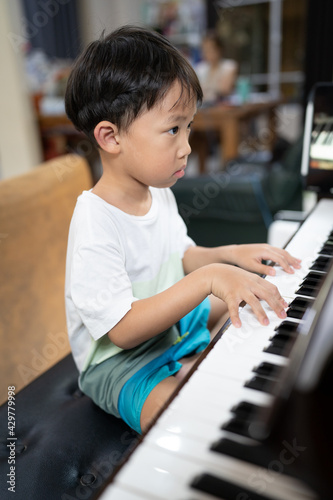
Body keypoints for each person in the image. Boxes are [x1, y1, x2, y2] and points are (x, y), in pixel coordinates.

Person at [64, 25, 301, 435]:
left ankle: (205, 363)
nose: (187, 145)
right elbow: (121, 331)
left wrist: (230, 254)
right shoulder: (94, 220)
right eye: (173, 129)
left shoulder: (158, 192)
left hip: (169, 326)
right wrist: (210, 277)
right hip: (119, 362)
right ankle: (189, 371)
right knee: (177, 423)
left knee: (248, 293)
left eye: (189, 127)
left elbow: (181, 255)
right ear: (110, 136)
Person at [195, 31, 238, 104]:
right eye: (205, 49)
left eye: (211, 49)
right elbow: (197, 92)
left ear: (219, 49)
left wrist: (206, 91)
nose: (208, 52)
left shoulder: (229, 66)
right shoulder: (200, 68)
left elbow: (225, 89)